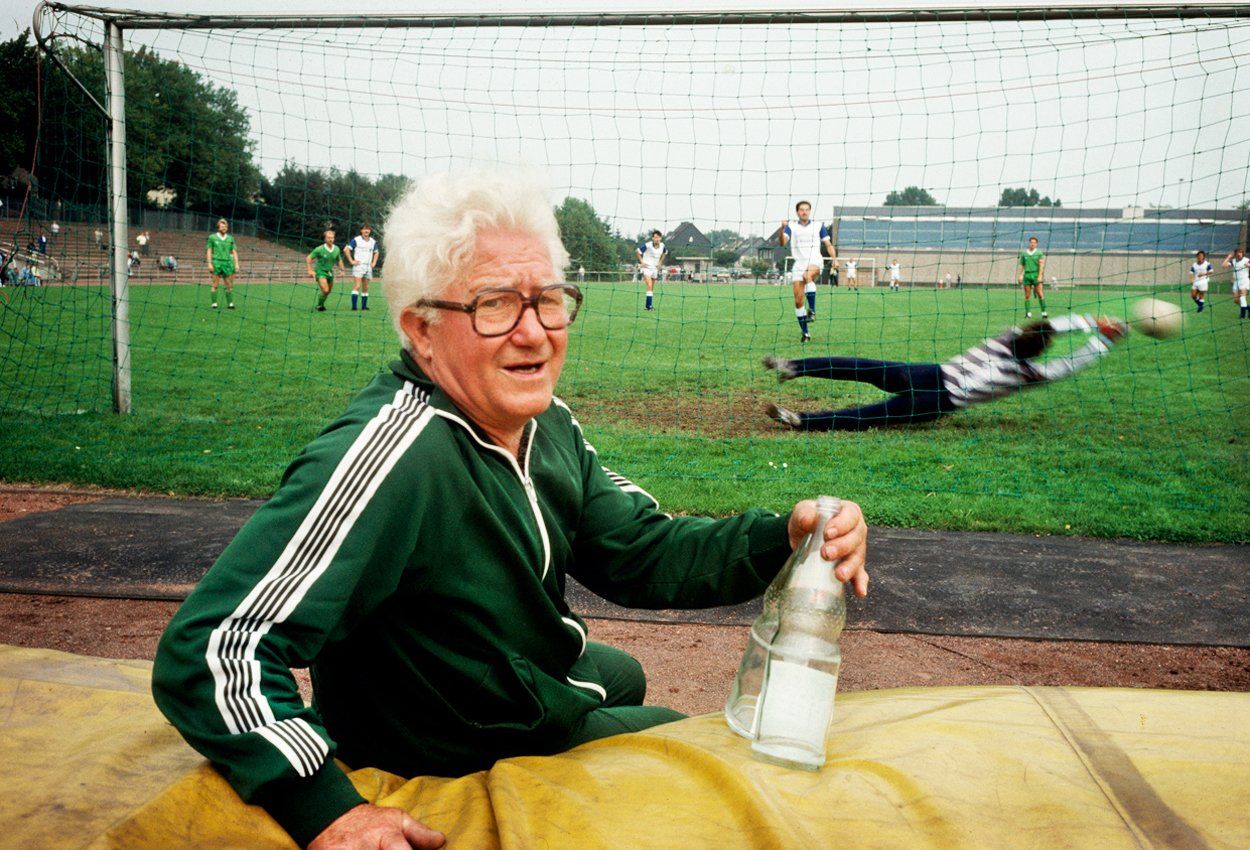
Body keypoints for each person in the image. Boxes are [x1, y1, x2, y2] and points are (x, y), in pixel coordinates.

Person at [151, 168, 869, 850]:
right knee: (681, 742)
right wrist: (326, 809)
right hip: (451, 737)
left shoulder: (542, 422)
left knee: (618, 671)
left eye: (547, 299)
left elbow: (639, 551)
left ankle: (570, 699)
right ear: (421, 330)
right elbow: (213, 648)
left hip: (495, 682)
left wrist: (784, 536)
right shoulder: (397, 454)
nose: (533, 332)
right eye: (494, 305)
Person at [764, 313, 1127, 431]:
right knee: (870, 415)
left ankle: (793, 367)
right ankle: (801, 420)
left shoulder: (1005, 340)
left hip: (930, 375)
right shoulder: (1029, 374)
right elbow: (1069, 364)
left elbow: (1048, 327)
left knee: (860, 368)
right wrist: (1102, 340)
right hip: (939, 400)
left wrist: (1087, 321)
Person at [779, 201, 833, 342]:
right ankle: (806, 334)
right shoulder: (791, 226)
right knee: (798, 301)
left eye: (807, 209)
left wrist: (834, 259)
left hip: (815, 261)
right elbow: (782, 242)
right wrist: (782, 228)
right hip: (799, 264)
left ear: (810, 211)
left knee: (807, 275)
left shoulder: (818, 226)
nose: (804, 212)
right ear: (797, 212)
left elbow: (828, 244)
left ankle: (812, 311)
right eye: (801, 210)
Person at [343, 225, 379, 312]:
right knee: (357, 286)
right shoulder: (356, 240)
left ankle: (364, 307)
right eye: (364, 229)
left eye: (368, 229)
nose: (366, 231)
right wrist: (351, 261)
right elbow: (346, 250)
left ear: (370, 231)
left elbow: (376, 252)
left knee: (366, 287)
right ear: (361, 230)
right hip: (359, 266)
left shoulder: (372, 241)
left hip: (368, 267)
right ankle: (354, 307)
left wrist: (374, 262)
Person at [308, 229, 346, 311]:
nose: (330, 239)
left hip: (330, 272)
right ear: (325, 239)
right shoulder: (319, 249)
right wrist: (310, 270)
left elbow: (339, 260)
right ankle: (319, 306)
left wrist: (341, 270)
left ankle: (320, 305)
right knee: (325, 290)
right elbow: (308, 258)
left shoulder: (336, 249)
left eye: (332, 238)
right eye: (328, 238)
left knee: (328, 291)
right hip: (320, 271)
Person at [206, 218, 240, 309]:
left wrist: (236, 264)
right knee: (215, 284)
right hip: (216, 262)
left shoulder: (230, 238)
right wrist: (209, 263)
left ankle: (230, 303)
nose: (224, 228)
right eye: (222, 226)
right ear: (218, 227)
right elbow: (209, 251)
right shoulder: (212, 237)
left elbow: (234, 251)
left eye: (225, 226)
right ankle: (214, 303)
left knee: (229, 285)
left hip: (227, 263)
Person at [636, 230, 667, 311]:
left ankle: (648, 305)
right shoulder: (648, 245)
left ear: (660, 238)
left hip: (655, 268)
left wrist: (660, 263)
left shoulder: (662, 246)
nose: (657, 239)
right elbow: (638, 251)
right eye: (655, 237)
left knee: (651, 288)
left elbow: (665, 253)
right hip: (646, 268)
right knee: (649, 285)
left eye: (658, 237)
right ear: (652, 238)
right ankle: (649, 306)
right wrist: (642, 262)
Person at [1017, 236, 1047, 318]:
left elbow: (1041, 266)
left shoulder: (1039, 253)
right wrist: (1020, 275)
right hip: (1027, 276)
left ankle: (1044, 313)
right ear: (1029, 243)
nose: (1032, 244)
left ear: (1036, 244)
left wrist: (1040, 276)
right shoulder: (1024, 254)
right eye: (1031, 242)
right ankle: (1028, 313)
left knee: (1040, 294)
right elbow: (1022, 265)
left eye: (1034, 243)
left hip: (1036, 275)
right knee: (1027, 295)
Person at [1224, 248, 1249, 319]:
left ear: (1242, 253)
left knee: (1242, 298)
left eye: (1240, 252)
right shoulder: (1233, 261)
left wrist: (1248, 265)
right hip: (1236, 282)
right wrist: (1228, 257)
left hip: (1244, 281)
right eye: (1237, 252)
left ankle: (1242, 316)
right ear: (1235, 254)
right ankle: (1249, 308)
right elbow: (1224, 265)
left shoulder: (1246, 260)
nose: (1239, 254)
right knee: (1236, 301)